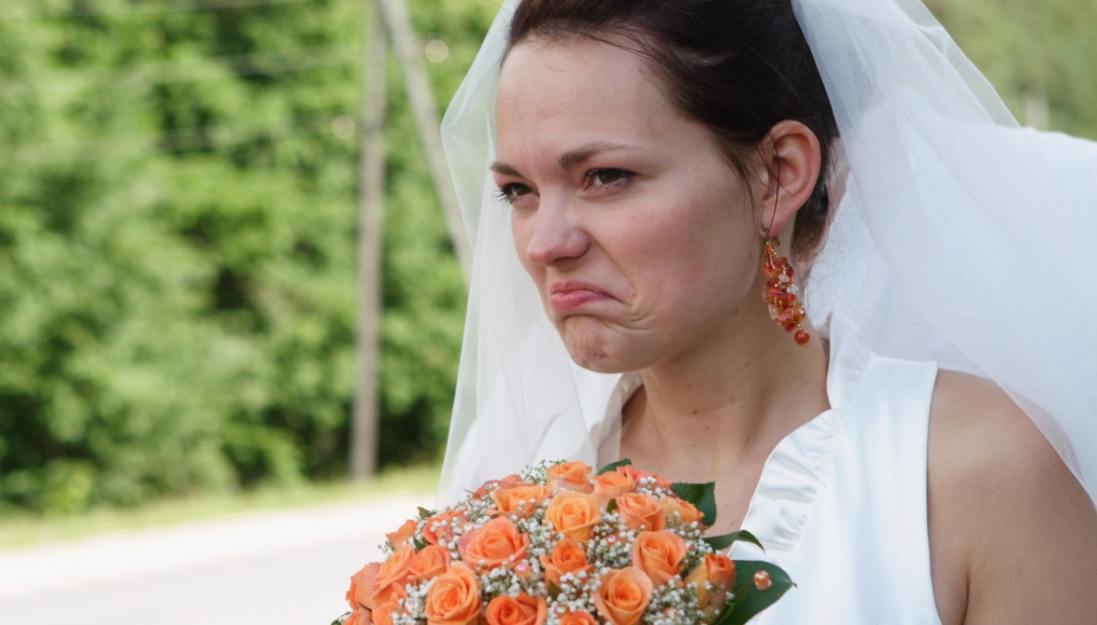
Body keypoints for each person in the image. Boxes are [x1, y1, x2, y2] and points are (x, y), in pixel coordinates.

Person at [436, 0, 1097, 622]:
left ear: (778, 174)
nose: (544, 244)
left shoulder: (973, 475)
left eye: (605, 177)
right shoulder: (514, 480)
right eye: (517, 191)